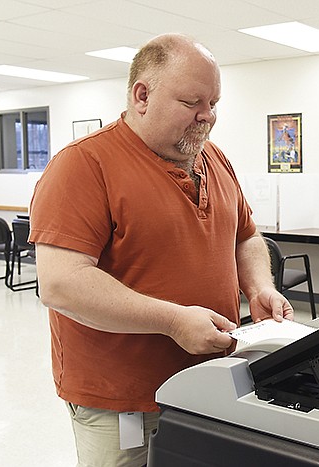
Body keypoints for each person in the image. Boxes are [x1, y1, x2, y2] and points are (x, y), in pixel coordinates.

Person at [29, 33, 294, 467]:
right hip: (124, 402)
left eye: (214, 103)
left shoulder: (215, 159)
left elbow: (245, 236)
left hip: (210, 385)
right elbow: (61, 284)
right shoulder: (82, 166)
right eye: (192, 102)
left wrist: (259, 287)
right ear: (142, 96)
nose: (207, 117)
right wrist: (172, 320)